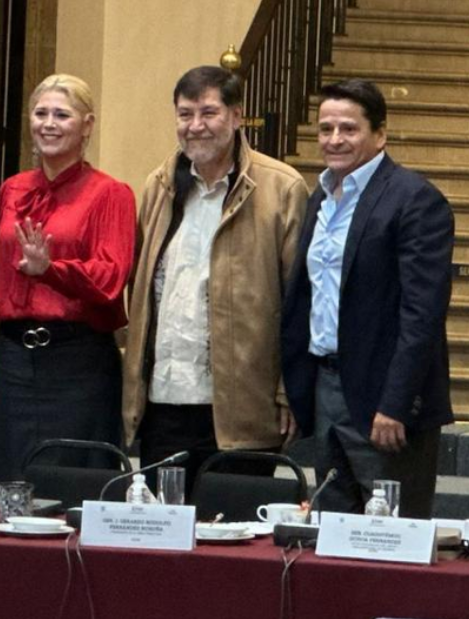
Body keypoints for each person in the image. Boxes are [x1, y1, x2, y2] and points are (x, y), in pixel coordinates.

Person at [122, 66, 308, 493]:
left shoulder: (281, 188)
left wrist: (288, 390)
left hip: (240, 408)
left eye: (209, 113)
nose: (196, 126)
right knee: (163, 528)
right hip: (164, 401)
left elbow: (299, 301)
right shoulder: (159, 186)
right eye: (185, 114)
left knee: (231, 529)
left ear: (237, 116)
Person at [282, 79, 453, 518]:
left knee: (391, 536)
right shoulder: (320, 198)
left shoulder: (415, 200)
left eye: (349, 129)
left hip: (384, 402)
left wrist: (396, 404)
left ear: (380, 134)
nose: (334, 139)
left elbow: (422, 315)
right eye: (325, 129)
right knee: (332, 527)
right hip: (326, 388)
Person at [0, 74, 135, 492]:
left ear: (87, 125)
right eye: (41, 113)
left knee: (73, 482)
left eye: (62, 115)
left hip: (77, 361)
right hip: (14, 358)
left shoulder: (110, 193)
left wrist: (52, 269)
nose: (49, 124)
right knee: (12, 480)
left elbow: (110, 278)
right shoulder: (12, 189)